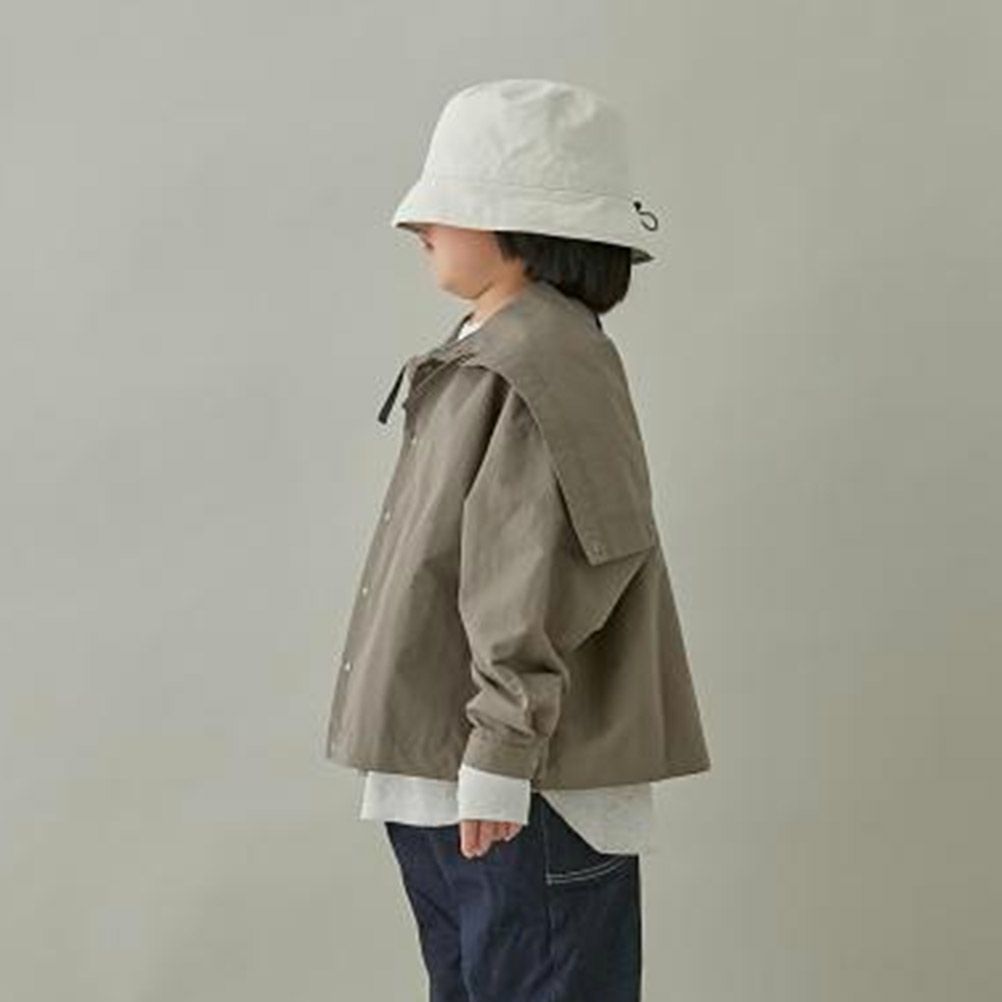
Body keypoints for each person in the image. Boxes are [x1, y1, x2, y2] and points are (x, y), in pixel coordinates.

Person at [324, 78, 711, 1002]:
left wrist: (501, 750)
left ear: (520, 223)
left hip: (516, 789)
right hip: (456, 775)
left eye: (447, 201)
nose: (416, 225)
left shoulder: (545, 359)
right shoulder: (493, 347)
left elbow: (538, 573)